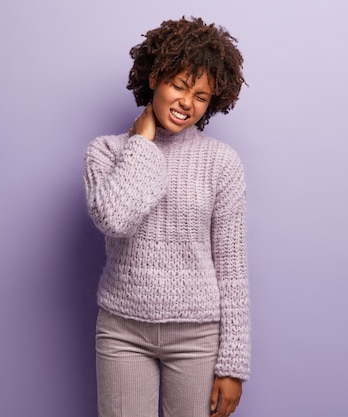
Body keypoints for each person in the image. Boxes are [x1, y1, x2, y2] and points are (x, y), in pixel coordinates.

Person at [84, 16, 249, 417]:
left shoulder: (221, 163)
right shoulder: (106, 152)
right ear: (154, 78)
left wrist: (234, 365)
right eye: (178, 85)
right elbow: (115, 219)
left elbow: (232, 267)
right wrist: (142, 143)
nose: (187, 102)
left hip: (198, 337)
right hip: (122, 330)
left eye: (202, 96)